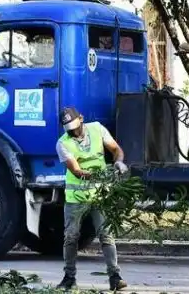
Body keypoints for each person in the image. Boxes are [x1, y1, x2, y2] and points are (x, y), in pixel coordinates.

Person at [56, 107, 129, 291]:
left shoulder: (97, 128)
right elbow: (77, 171)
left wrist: (118, 162)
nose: (73, 131)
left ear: (81, 118)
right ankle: (69, 277)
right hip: (76, 197)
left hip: (99, 195)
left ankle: (115, 276)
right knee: (71, 237)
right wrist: (103, 176)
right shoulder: (63, 143)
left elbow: (115, 149)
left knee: (106, 235)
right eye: (69, 129)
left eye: (75, 126)